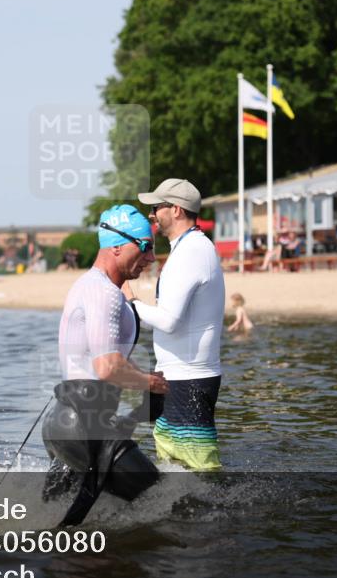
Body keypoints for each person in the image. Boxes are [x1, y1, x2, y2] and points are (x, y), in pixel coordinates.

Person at [42, 204, 166, 527]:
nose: (151, 257)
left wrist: (142, 391)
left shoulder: (94, 286)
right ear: (116, 246)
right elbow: (107, 368)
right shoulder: (103, 293)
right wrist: (151, 383)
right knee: (164, 502)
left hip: (64, 423)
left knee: (61, 523)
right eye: (145, 246)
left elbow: (110, 357)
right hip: (84, 426)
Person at [122, 178, 225, 471]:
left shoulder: (192, 250)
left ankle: (222, 514)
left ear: (177, 210)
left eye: (157, 207)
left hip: (189, 377)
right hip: (175, 375)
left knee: (201, 468)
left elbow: (168, 321)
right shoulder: (187, 248)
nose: (152, 214)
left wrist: (132, 302)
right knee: (172, 463)